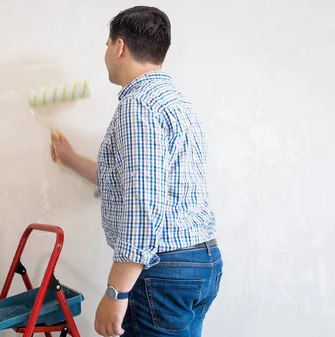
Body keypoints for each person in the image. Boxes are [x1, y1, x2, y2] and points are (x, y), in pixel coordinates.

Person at [50, 6, 223, 337]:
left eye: (106, 44)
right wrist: (70, 158)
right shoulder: (175, 102)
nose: (106, 53)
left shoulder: (138, 106)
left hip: (164, 270)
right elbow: (133, 182)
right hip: (201, 262)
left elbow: (144, 203)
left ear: (119, 47)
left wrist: (117, 292)